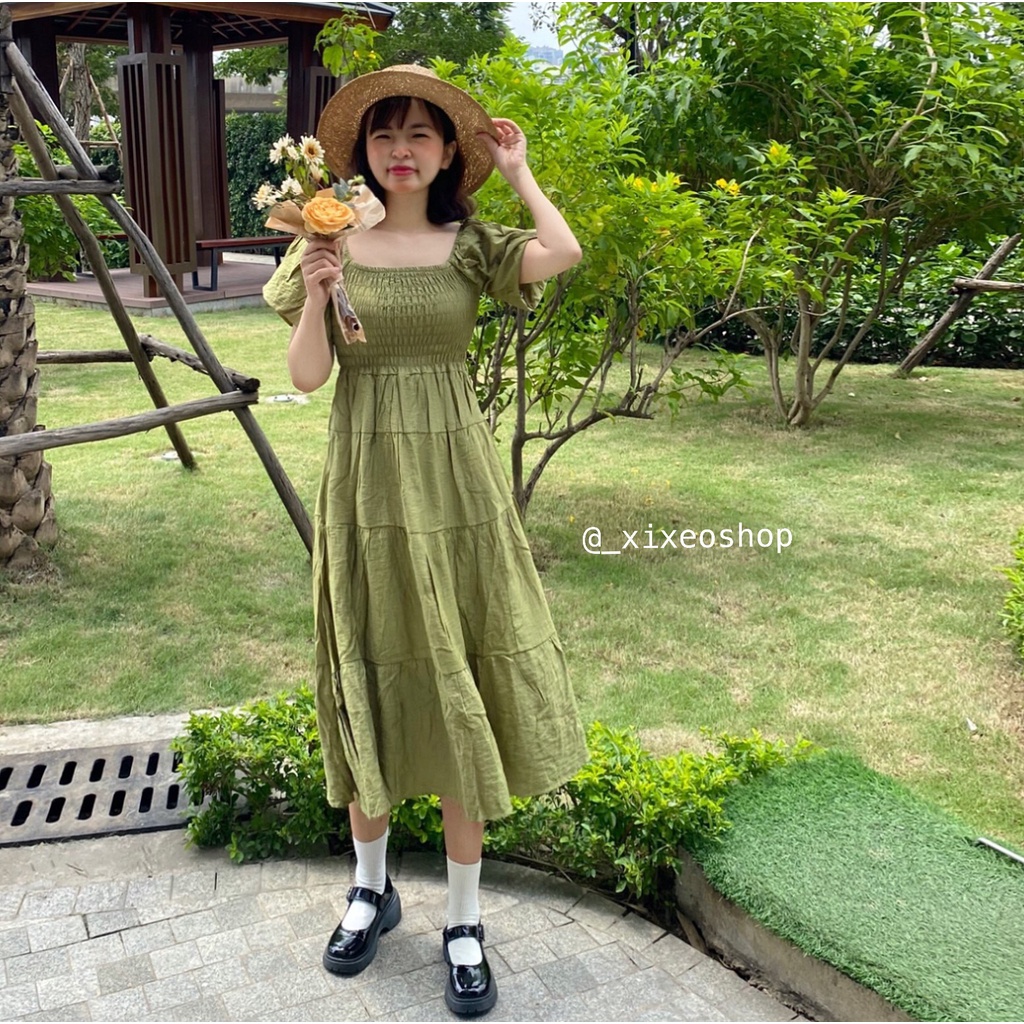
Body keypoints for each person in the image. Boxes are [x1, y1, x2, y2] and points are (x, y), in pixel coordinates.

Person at [263, 64, 589, 1016]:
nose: (399, 151)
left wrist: (520, 172)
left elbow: (562, 251)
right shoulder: (327, 239)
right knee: (368, 667)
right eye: (382, 135)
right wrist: (318, 289)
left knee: (459, 682)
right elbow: (306, 378)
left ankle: (464, 919)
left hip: (456, 483)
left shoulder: (470, 244)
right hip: (365, 485)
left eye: (419, 135)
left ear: (448, 153)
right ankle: (370, 891)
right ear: (360, 154)